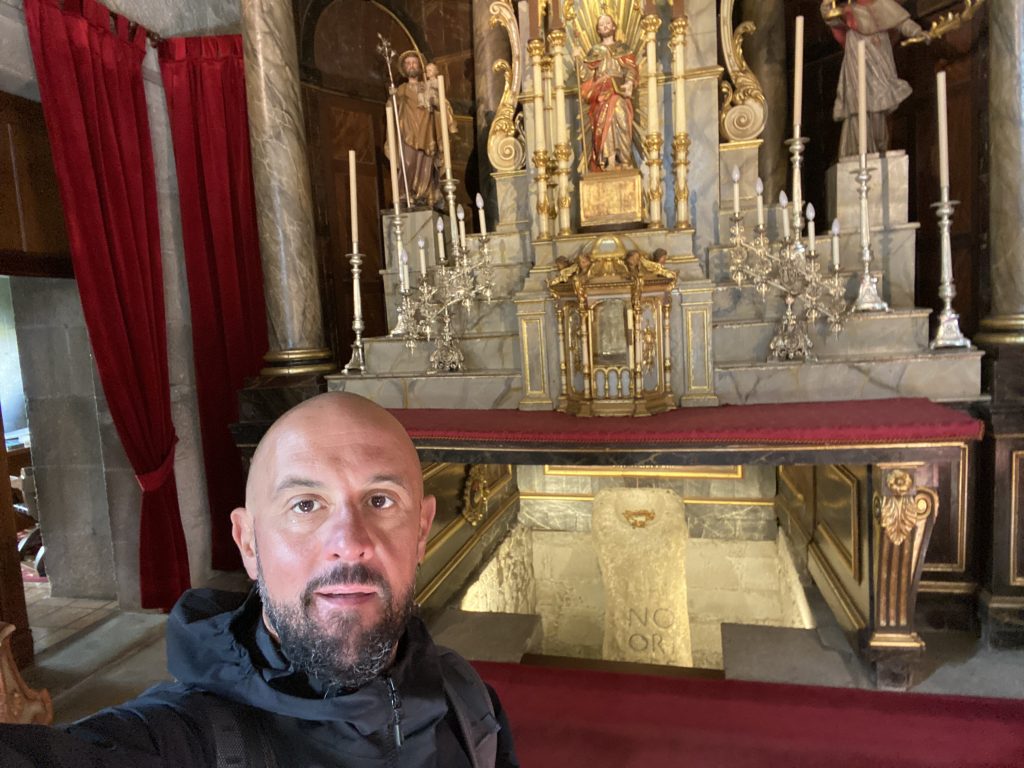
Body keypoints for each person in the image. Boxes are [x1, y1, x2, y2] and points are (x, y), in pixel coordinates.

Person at [0, 392, 518, 767]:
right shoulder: (181, 739)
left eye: (380, 500)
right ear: (248, 543)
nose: (350, 541)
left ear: (421, 531)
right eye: (305, 505)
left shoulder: (467, 701)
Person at [821, 0, 924, 157]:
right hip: (856, 60)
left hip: (879, 61)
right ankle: (856, 151)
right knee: (857, 106)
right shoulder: (847, 12)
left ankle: (876, 149)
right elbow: (829, 16)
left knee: (878, 105)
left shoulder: (884, 4)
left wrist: (919, 32)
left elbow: (902, 22)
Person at [390, 52, 455, 208]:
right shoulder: (402, 89)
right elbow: (392, 108)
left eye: (414, 62)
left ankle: (424, 194)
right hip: (408, 132)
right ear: (404, 68)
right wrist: (392, 97)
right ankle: (405, 195)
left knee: (426, 165)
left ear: (420, 66)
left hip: (426, 131)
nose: (411, 65)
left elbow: (442, 104)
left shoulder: (426, 86)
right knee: (408, 163)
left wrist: (437, 102)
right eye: (408, 63)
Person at [579, 14, 639, 172]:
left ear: (613, 26)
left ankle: (625, 159)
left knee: (622, 119)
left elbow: (631, 69)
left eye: (608, 23)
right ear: (598, 30)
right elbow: (586, 75)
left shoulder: (623, 49)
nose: (605, 26)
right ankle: (609, 161)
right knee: (605, 122)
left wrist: (629, 83)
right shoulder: (594, 51)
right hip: (601, 93)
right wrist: (578, 60)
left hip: (618, 91)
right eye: (601, 24)